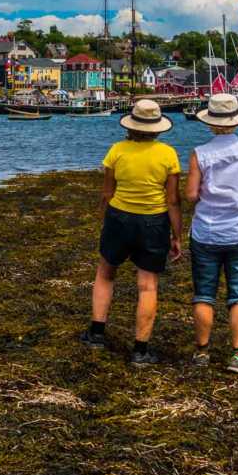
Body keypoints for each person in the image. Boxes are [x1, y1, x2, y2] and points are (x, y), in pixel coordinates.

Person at [82, 99, 182, 365]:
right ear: (157, 127)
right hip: (153, 221)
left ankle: (96, 333)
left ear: (132, 125)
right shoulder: (168, 155)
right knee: (147, 286)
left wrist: (104, 220)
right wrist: (177, 235)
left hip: (119, 217)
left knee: (105, 272)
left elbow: (107, 192)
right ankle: (140, 349)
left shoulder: (117, 150)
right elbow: (173, 200)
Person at [184, 93, 238, 374]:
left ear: (210, 122)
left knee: (204, 294)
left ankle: (201, 353)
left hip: (206, 231)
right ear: (237, 121)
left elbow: (191, 195)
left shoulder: (200, 153)